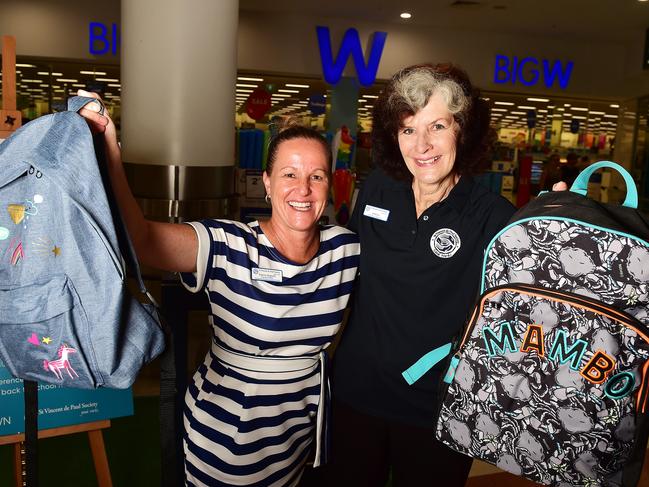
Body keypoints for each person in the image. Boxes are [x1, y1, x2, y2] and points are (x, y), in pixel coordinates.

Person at [78, 91, 360, 487]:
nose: (303, 189)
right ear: (266, 182)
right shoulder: (227, 245)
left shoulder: (345, 250)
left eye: (316, 176)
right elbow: (140, 238)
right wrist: (109, 149)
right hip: (227, 438)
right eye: (290, 174)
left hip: (297, 435)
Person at [312, 63, 518, 487]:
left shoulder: (493, 217)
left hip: (436, 409)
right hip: (355, 396)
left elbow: (524, 309)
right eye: (408, 129)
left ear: (463, 129)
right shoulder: (377, 190)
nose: (421, 145)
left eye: (437, 126)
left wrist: (561, 225)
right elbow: (341, 266)